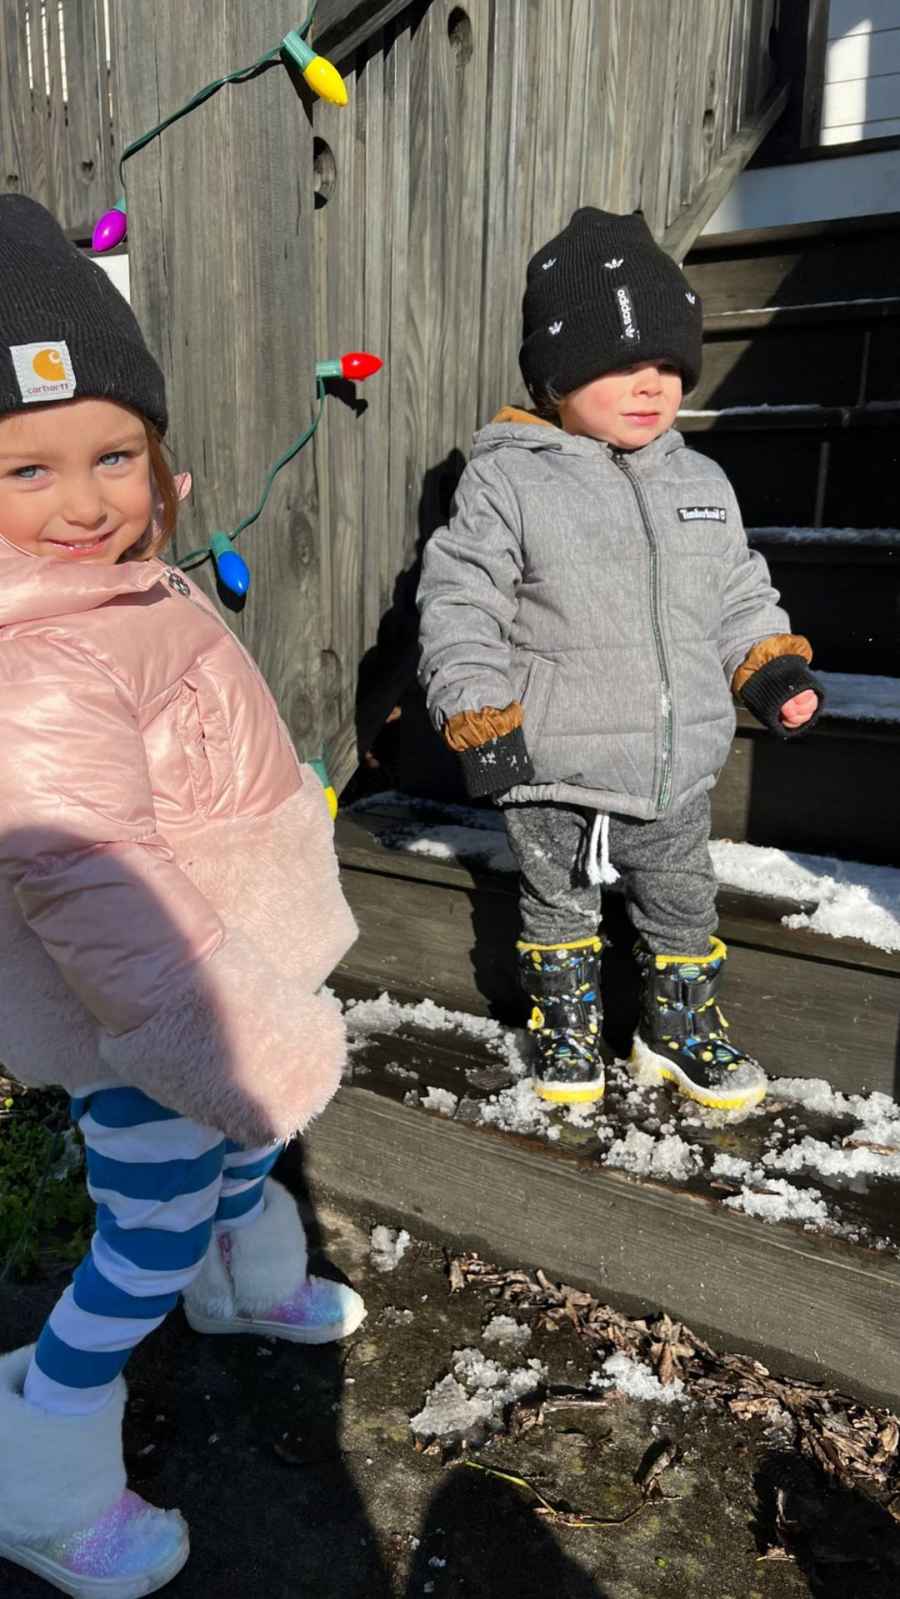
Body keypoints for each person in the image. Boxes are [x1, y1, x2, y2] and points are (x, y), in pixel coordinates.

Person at [0, 195, 364, 1598]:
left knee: (230, 1158)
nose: (84, 501)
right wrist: (234, 1030)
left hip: (218, 977)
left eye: (114, 454)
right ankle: (44, 1454)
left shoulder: (120, 594)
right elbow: (89, 867)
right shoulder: (39, 656)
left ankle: (247, 1279)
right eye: (28, 469)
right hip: (148, 1012)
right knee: (140, 1235)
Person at [418, 207, 822, 1115]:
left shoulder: (701, 483)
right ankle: (567, 1019)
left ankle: (674, 1028)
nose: (651, 385)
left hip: (674, 766)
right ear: (556, 375)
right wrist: (479, 713)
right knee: (558, 903)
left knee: (684, 900)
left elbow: (738, 594)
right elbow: (460, 600)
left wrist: (770, 668)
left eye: (669, 366)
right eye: (620, 364)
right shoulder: (509, 478)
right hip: (554, 764)